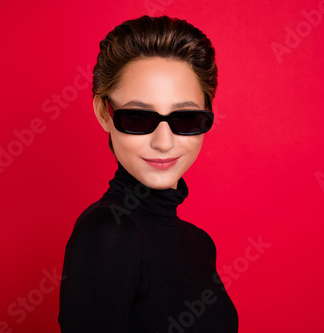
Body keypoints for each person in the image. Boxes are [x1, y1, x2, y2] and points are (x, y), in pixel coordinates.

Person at [58, 15, 238, 332]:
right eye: (138, 118)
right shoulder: (109, 233)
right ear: (104, 113)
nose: (164, 142)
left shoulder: (200, 243)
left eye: (185, 118)